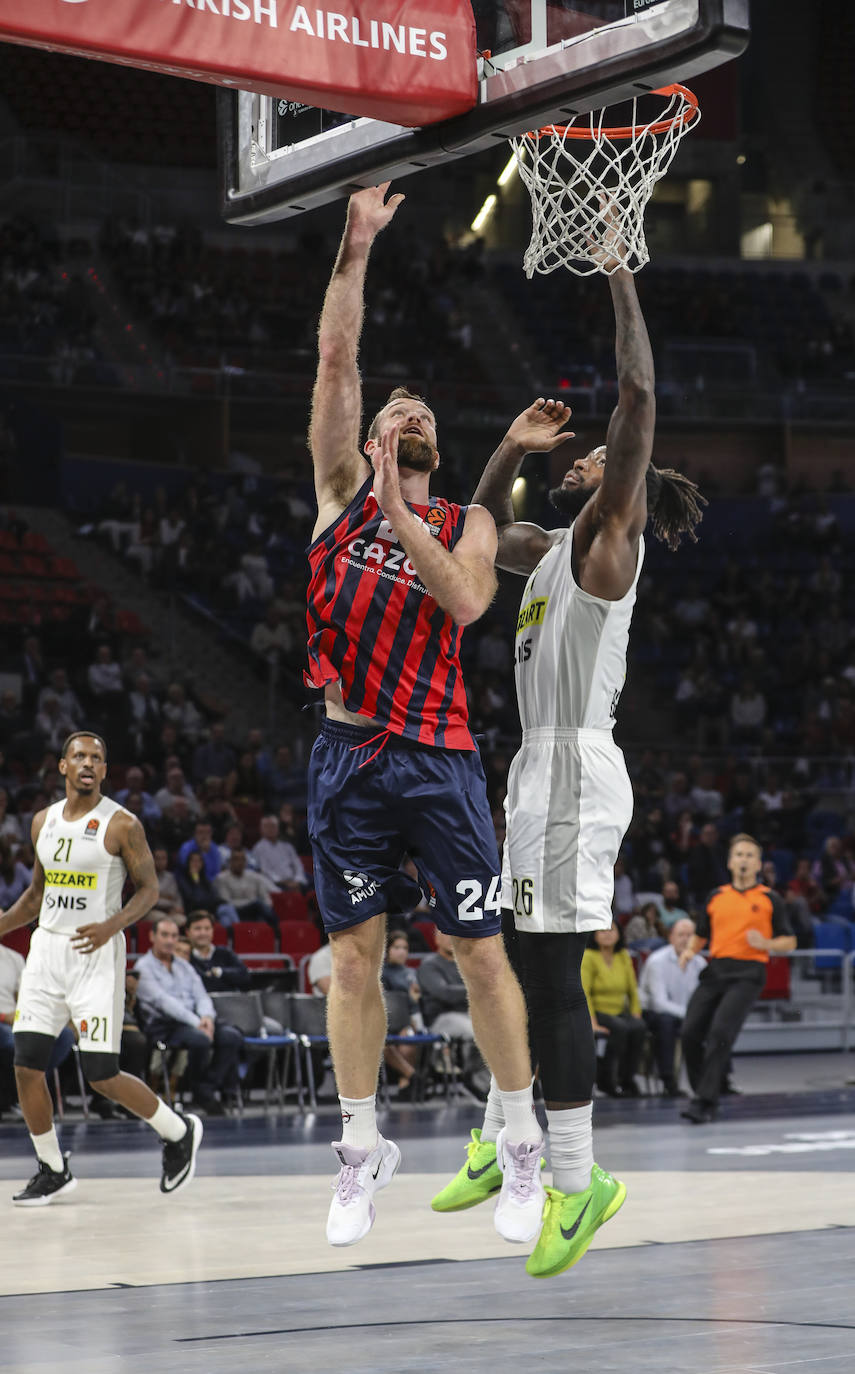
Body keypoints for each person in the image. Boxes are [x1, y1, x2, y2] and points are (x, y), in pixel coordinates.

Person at [433, 232, 705, 1278]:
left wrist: (621, 271)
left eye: (592, 456)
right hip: (538, 771)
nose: (584, 452)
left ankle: (577, 1178)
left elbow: (637, 397)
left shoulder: (605, 543)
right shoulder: (545, 550)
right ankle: (518, 1135)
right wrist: (510, 446)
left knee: (543, 970)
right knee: (502, 959)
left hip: (573, 767)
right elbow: (469, 532)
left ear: (619, 481)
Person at [305, 183, 541, 1249]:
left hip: (440, 759)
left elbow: (470, 600)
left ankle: (525, 1147)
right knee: (353, 960)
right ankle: (361, 1152)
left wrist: (404, 510)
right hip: (348, 757)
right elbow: (337, 363)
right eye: (400, 410)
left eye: (426, 413)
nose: (412, 412)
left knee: (476, 954)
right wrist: (355, 248)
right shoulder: (340, 491)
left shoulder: (469, 518)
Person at [0, 732, 202, 1205]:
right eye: (79, 756)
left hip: (97, 955)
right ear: (62, 767)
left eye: (97, 758)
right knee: (26, 1065)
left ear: (105, 771)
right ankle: (52, 1167)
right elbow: (37, 894)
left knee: (101, 1074)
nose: (88, 763)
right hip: (47, 953)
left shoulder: (122, 824)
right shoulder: (41, 822)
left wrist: (112, 925)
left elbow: (149, 890)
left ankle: (177, 1133)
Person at [678, 833, 796, 1123]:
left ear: (758, 864)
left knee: (720, 1034)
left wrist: (767, 944)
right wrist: (690, 951)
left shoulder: (770, 898)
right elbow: (702, 933)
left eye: (749, 855)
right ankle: (704, 1092)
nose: (743, 860)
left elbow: (790, 941)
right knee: (690, 1032)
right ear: (730, 862)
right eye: (739, 855)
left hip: (749, 973)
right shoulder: (716, 896)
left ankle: (703, 1101)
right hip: (716, 970)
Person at [136, 914, 242, 1114]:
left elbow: (201, 995)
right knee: (200, 1039)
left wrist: (207, 1018)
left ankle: (205, 1088)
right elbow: (164, 1002)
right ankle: (199, 1090)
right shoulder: (144, 967)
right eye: (165, 935)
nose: (170, 941)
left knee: (231, 1036)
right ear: (152, 937)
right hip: (164, 1024)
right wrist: (197, 1023)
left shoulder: (184, 966)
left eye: (174, 936)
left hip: (195, 1021)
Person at [638, 918, 706, 1096]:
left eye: (690, 935)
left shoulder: (700, 963)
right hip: (654, 1013)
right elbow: (659, 1003)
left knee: (716, 1023)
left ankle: (721, 1080)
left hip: (685, 1015)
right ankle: (669, 1081)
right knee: (666, 1023)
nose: (685, 939)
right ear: (671, 938)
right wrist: (691, 1015)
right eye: (681, 935)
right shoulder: (657, 961)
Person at [581, 924, 648, 1097]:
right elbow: (585, 992)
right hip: (598, 1012)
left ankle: (628, 1079)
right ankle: (607, 1081)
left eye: (612, 930)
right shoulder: (589, 956)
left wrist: (636, 1014)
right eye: (602, 930)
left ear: (619, 934)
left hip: (619, 1012)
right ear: (594, 935)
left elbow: (633, 989)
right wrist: (593, 1023)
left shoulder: (623, 956)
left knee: (639, 1027)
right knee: (619, 1029)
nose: (608, 934)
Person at [185, 909, 251, 992]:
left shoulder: (225, 953)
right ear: (188, 932)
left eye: (207, 928)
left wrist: (220, 972)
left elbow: (244, 975)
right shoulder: (185, 956)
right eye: (197, 929)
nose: (203, 933)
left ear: (213, 931)